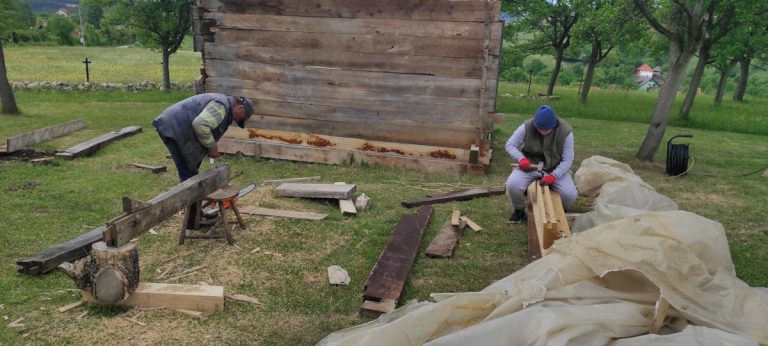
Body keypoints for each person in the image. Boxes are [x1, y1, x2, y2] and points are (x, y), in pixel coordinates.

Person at [152, 93, 254, 228]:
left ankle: (196, 216)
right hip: (174, 127)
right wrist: (212, 147)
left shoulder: (224, 106)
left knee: (192, 171)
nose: (239, 121)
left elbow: (206, 128)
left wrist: (210, 147)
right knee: (189, 177)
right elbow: (201, 124)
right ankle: (192, 221)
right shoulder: (221, 106)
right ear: (241, 108)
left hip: (177, 127)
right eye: (243, 117)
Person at [505, 104, 577, 223]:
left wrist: (554, 175)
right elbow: (510, 144)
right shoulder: (527, 126)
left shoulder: (566, 132)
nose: (543, 132)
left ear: (554, 125)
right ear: (535, 124)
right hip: (530, 166)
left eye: (546, 130)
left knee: (569, 194)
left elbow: (568, 159)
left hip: (555, 167)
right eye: (540, 129)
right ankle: (519, 211)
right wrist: (521, 159)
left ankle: (561, 211)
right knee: (513, 184)